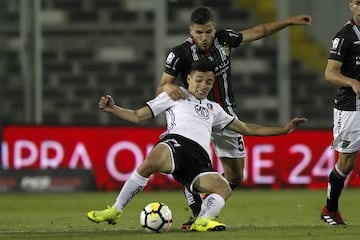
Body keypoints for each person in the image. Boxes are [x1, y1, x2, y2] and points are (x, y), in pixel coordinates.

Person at [87, 58, 307, 231]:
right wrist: (114, 109)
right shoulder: (175, 95)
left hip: (200, 160)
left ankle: (203, 220)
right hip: (176, 143)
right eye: (199, 80)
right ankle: (115, 210)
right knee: (151, 161)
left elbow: (247, 128)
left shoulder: (215, 109)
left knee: (223, 187)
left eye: (209, 82)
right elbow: (137, 115)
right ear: (189, 79)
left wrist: (283, 129)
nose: (203, 85)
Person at [157, 6, 312, 228]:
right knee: (193, 165)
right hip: (194, 116)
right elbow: (161, 87)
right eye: (199, 32)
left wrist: (288, 21)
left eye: (208, 31)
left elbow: (260, 30)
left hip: (225, 115)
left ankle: (203, 196)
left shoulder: (225, 40)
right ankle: (198, 209)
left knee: (236, 177)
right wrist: (168, 88)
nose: (204, 37)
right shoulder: (179, 53)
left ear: (214, 28)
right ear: (191, 30)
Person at [320, 0, 360, 226]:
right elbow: (330, 73)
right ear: (351, 5)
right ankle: (330, 209)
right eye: (358, 3)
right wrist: (351, 81)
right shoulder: (344, 36)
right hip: (350, 106)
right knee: (346, 163)